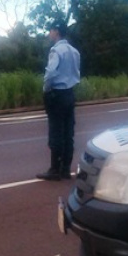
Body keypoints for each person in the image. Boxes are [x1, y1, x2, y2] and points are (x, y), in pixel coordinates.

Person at [36, 20, 81, 181]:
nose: (49, 34)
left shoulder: (56, 51)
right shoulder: (74, 51)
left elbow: (50, 73)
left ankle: (54, 169)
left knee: (56, 131)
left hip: (57, 94)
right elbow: (76, 73)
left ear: (56, 31)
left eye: (51, 30)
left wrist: (46, 89)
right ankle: (65, 169)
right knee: (68, 132)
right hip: (69, 93)